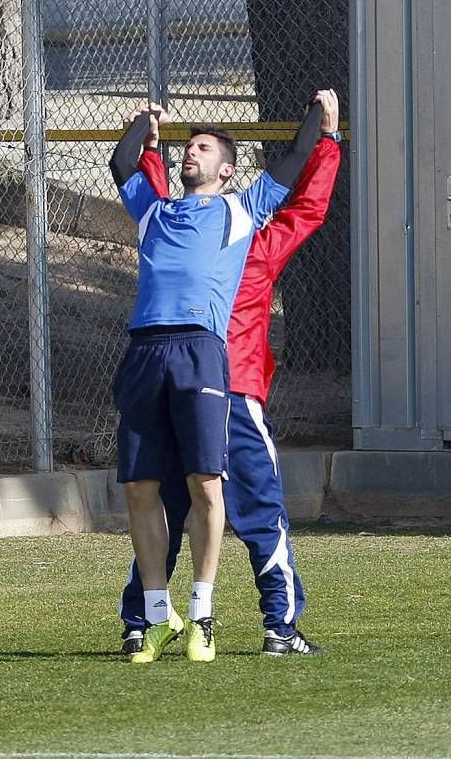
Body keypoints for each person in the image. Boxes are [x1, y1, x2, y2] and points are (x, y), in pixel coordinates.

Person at [119, 89, 341, 656]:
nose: (189, 156)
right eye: (185, 149)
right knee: (198, 500)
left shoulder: (244, 227)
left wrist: (324, 141)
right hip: (221, 388)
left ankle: (165, 622)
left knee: (187, 499)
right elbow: (303, 204)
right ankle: (256, 625)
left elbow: (295, 196)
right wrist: (329, 142)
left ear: (227, 172)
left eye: (202, 149)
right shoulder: (203, 225)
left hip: (222, 381)